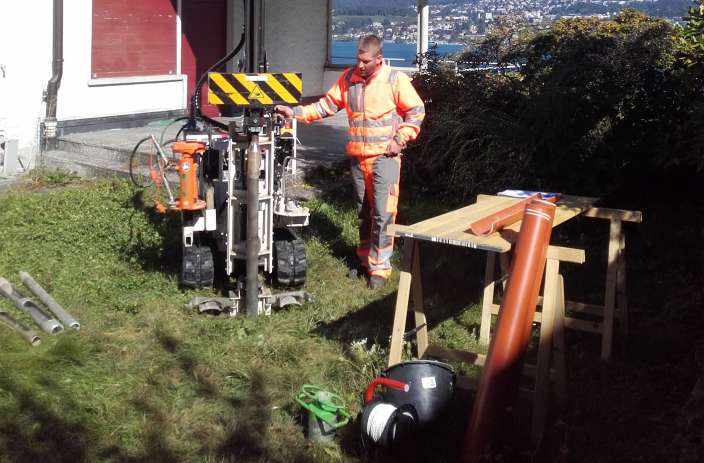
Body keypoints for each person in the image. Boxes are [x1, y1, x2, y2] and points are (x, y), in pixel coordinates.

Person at [275, 34, 425, 289]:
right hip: (358, 159)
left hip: (384, 158)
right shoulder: (348, 79)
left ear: (379, 59)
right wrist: (296, 112)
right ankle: (365, 261)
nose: (361, 65)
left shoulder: (394, 79)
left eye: (366, 61)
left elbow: (416, 112)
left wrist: (400, 139)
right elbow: (325, 106)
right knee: (364, 213)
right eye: (358, 60)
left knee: (383, 214)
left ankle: (380, 269)